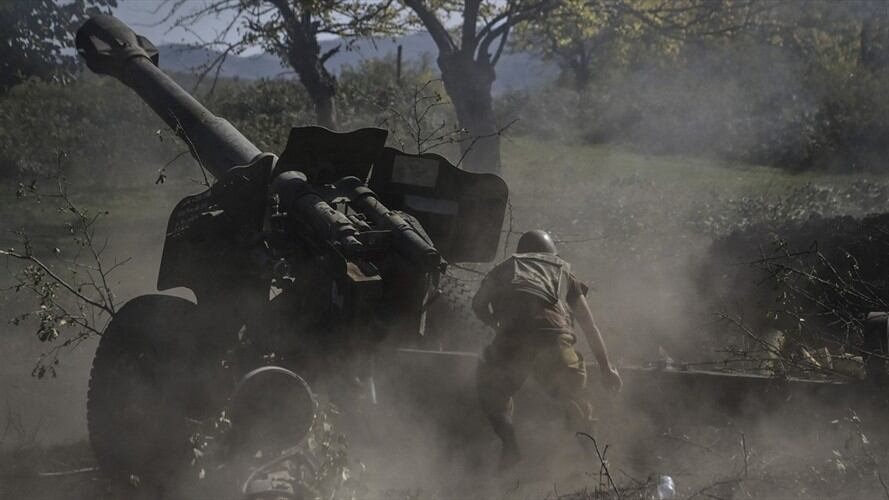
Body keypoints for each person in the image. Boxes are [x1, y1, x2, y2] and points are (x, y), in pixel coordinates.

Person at [472, 230, 622, 470]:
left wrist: (496, 324)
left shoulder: (506, 267)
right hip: (554, 340)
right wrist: (606, 368)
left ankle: (510, 447)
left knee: (492, 390)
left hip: (512, 338)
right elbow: (589, 325)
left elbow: (478, 303)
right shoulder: (562, 271)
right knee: (575, 400)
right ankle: (595, 463)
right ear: (552, 254)